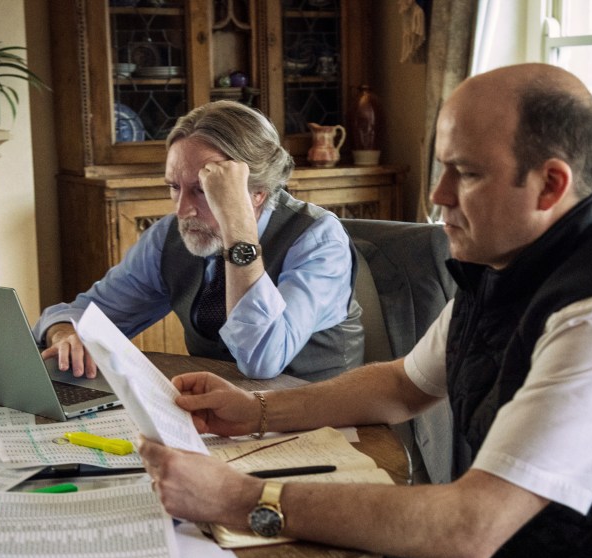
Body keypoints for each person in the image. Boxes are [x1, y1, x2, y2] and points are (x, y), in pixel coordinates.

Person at [139, 64, 592, 558]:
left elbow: (470, 526)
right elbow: (400, 386)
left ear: (550, 185)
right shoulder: (509, 265)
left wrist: (238, 500)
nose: (437, 195)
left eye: (464, 173)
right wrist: (257, 412)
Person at [33, 100, 363, 382]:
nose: (182, 210)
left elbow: (262, 359)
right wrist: (66, 333)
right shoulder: (168, 236)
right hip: (222, 421)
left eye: (202, 191)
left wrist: (238, 229)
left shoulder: (319, 240)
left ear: (257, 193)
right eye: (175, 187)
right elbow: (80, 313)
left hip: (324, 427)